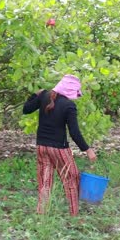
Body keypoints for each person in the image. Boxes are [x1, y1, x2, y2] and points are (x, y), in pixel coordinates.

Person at [23, 74, 97, 216]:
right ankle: (74, 215)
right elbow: (74, 132)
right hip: (59, 149)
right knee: (72, 179)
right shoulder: (69, 106)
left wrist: (34, 94)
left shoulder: (44, 96)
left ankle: (41, 215)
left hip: (41, 147)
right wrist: (88, 150)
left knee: (45, 182)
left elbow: (26, 109)